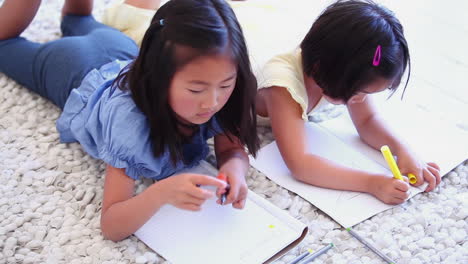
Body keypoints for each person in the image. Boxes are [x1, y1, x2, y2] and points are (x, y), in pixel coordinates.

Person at [0, 0, 259, 242]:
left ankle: (76, 17)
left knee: (77, 18)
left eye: (225, 84)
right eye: (195, 90)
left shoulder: (228, 92)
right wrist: (161, 193)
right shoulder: (130, 125)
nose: (212, 103)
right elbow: (111, 224)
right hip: (72, 65)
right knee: (4, 43)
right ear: (158, 78)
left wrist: (235, 170)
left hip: (117, 47)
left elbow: (232, 147)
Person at [255, 0, 441, 205]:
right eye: (360, 92)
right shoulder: (283, 87)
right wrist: (372, 183)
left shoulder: (341, 67)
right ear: (321, 69)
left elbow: (368, 120)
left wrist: (404, 151)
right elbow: (301, 164)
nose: (361, 100)